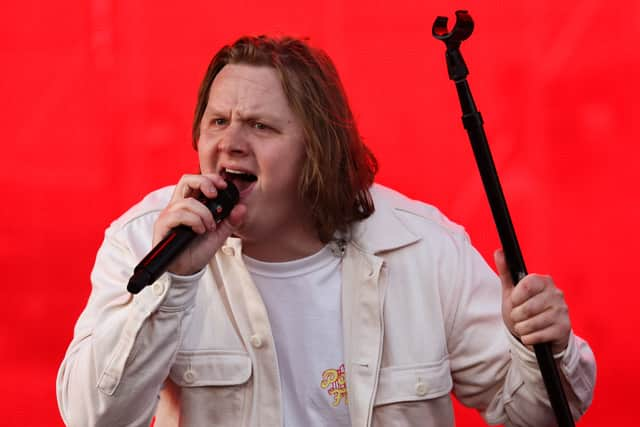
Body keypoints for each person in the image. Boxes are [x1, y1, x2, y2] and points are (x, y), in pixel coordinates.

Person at [56, 35, 596, 427]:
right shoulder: (144, 242)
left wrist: (541, 347)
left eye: (260, 126)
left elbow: (539, 413)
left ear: (318, 149)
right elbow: (91, 418)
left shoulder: (424, 250)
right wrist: (172, 285)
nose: (231, 143)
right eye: (217, 122)